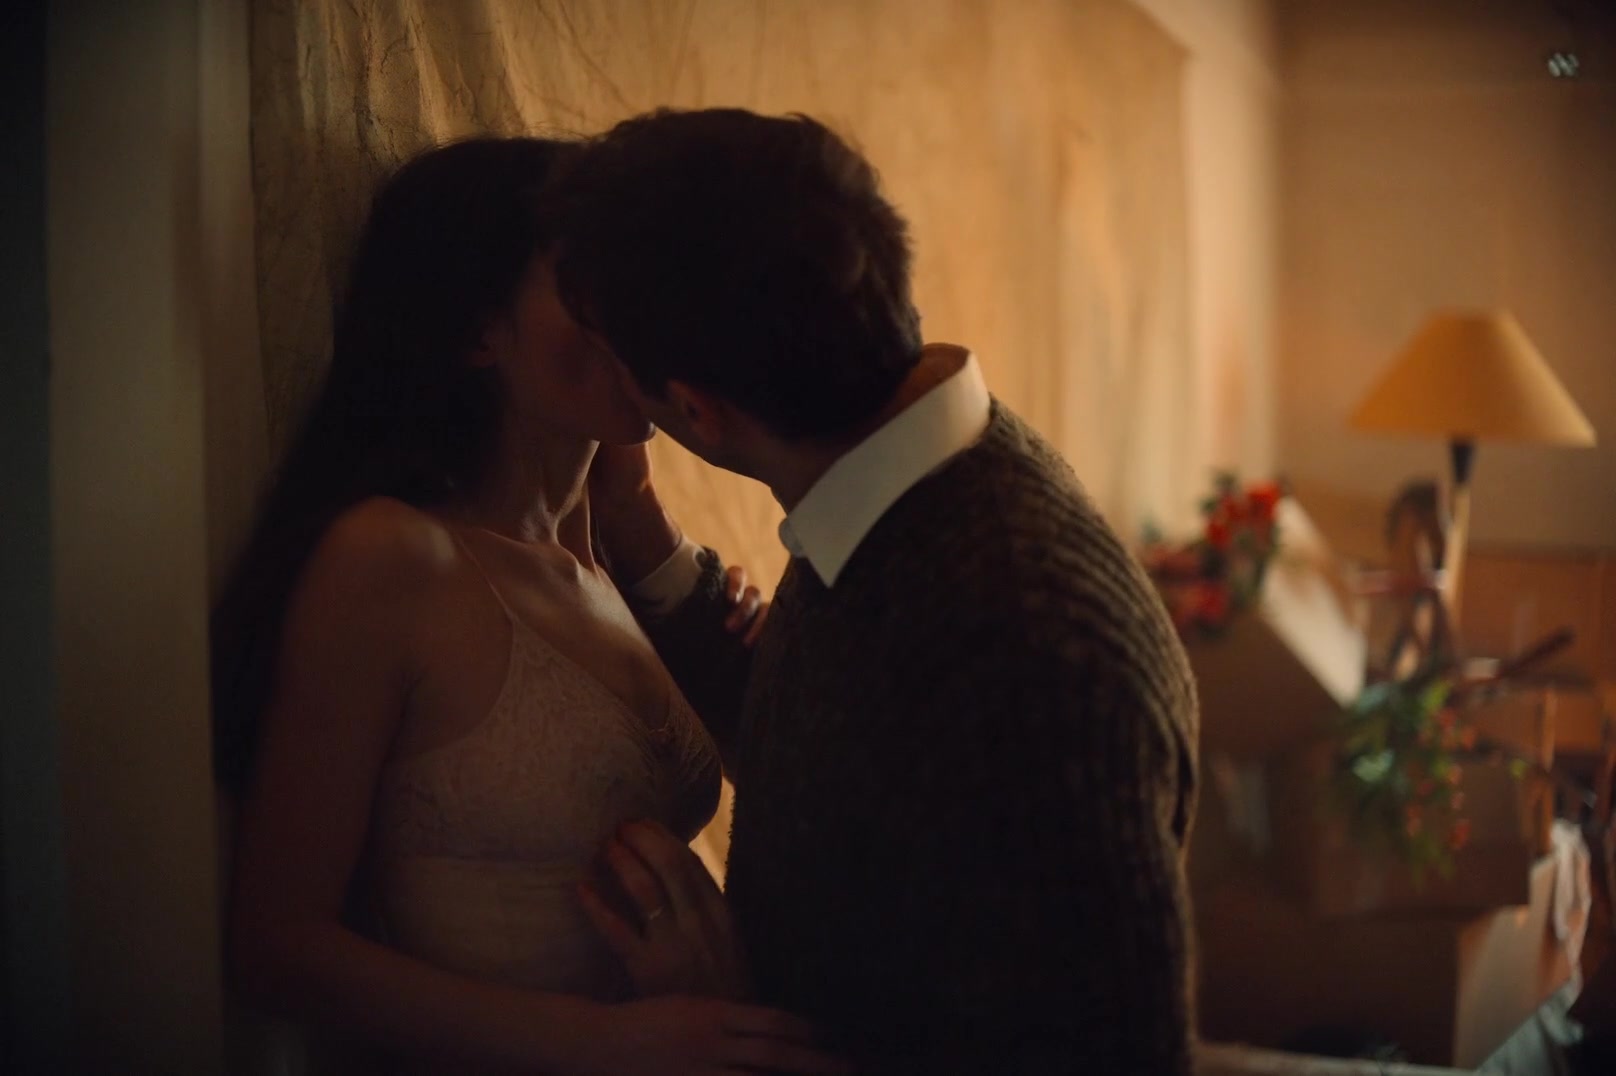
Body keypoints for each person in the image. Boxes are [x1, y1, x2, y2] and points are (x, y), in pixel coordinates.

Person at [552, 109, 1201, 1074]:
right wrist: (641, 536)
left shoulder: (1031, 658)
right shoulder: (900, 482)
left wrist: (737, 1021)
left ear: (695, 410)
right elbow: (854, 755)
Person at [210, 136, 839, 1075]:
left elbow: (803, 775)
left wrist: (642, 521)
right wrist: (605, 1043)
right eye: (593, 282)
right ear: (478, 333)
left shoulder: (597, 566)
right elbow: (275, 947)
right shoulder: (392, 559)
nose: (646, 315)